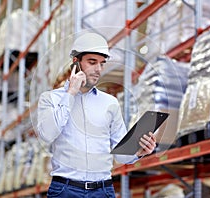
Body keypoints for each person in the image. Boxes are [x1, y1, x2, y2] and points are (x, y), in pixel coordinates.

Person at [37, 32, 157, 198]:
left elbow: (121, 155)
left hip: (103, 190)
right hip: (65, 190)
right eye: (92, 62)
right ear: (76, 62)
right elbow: (47, 134)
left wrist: (139, 151)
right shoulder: (50, 98)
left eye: (102, 63)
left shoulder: (110, 103)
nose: (98, 69)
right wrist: (71, 93)